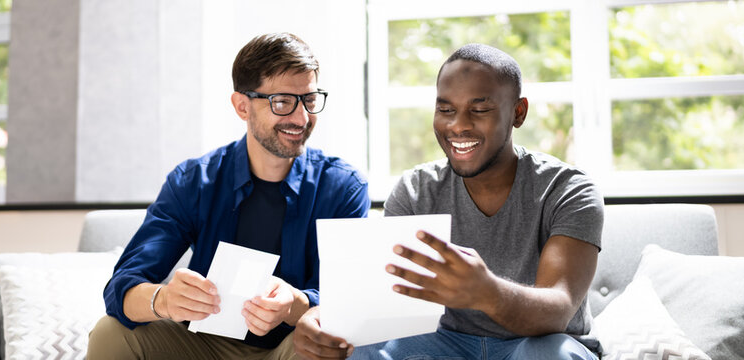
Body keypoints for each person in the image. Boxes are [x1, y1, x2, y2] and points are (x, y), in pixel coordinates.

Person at [293, 43, 603, 360]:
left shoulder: (568, 190)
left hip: (537, 344)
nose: (458, 125)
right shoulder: (414, 190)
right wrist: (323, 319)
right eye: (446, 110)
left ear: (518, 112)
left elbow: (558, 310)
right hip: (443, 344)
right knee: (355, 351)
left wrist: (488, 293)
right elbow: (379, 301)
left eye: (479, 110)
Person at [87, 32, 370, 360]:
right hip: (201, 344)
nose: (301, 117)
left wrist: (294, 304)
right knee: (111, 333)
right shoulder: (194, 181)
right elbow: (122, 286)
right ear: (242, 106)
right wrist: (163, 300)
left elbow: (345, 303)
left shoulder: (343, 187)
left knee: (322, 340)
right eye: (282, 102)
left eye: (309, 99)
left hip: (291, 346)